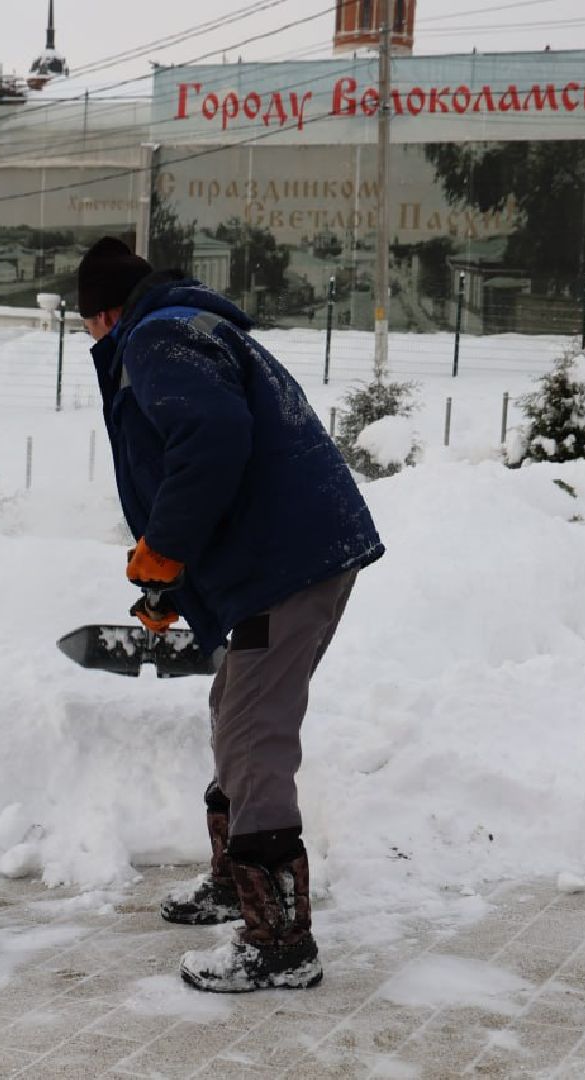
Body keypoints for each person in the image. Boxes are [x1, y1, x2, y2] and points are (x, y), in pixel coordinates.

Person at [76, 236, 384, 993]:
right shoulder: (187, 326)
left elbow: (211, 440)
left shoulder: (154, 339)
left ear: (102, 315)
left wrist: (163, 548)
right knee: (234, 708)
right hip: (285, 559)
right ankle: (232, 881)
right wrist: (167, 581)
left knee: (253, 731)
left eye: (84, 324)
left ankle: (279, 942)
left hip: (285, 568)